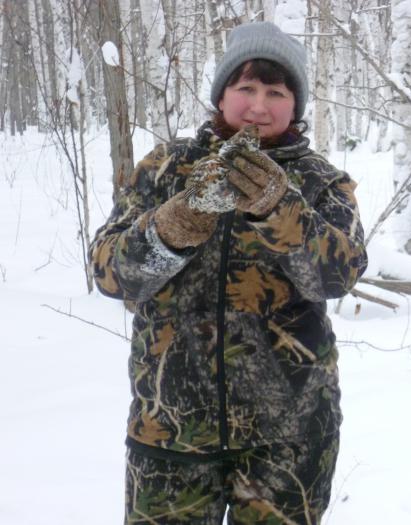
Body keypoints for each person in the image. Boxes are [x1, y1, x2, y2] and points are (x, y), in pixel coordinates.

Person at [90, 21, 367, 525]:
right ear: (222, 95)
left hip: (288, 444)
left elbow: (336, 276)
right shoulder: (167, 166)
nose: (259, 106)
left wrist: (279, 208)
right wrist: (174, 224)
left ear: (295, 105)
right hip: (168, 433)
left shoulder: (321, 182)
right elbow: (110, 274)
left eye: (276, 92)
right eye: (246, 88)